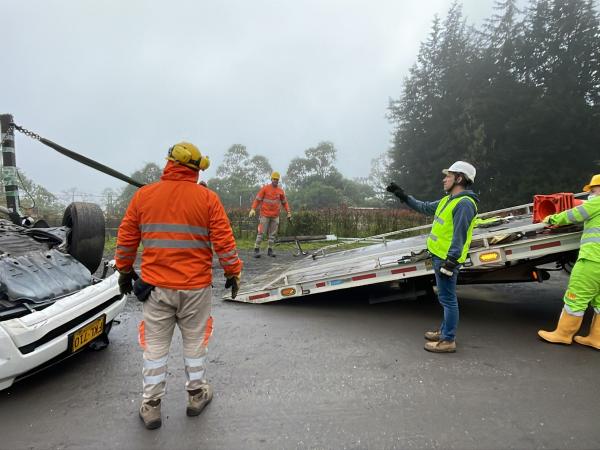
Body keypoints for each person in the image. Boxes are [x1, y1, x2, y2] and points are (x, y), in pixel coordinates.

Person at [115, 142, 243, 430]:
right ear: (197, 169)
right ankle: (196, 396)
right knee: (195, 342)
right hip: (196, 289)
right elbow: (224, 242)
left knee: (156, 346)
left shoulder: (143, 196)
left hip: (156, 289)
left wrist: (124, 271)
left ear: (169, 162)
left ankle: (151, 406)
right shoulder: (208, 199)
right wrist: (233, 272)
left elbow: (126, 240)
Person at [386, 161, 479, 353]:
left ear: (459, 178)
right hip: (439, 256)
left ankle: (448, 340)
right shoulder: (449, 200)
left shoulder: (464, 204)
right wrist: (402, 195)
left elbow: (459, 236)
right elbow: (425, 207)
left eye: (448, 176)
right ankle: (445, 331)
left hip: (446, 260)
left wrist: (451, 261)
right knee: (445, 298)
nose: (444, 179)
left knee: (448, 299)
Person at [538, 174, 600, 348]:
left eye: (594, 189)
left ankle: (563, 334)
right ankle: (596, 338)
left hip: (592, 260)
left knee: (576, 296)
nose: (592, 193)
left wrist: (552, 219)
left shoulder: (598, 202)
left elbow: (575, 214)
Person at [249, 171, 291, 258]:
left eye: (277, 179)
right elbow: (257, 199)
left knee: (272, 234)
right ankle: (256, 250)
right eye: (274, 179)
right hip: (264, 215)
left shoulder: (280, 191)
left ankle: (270, 250)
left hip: (275, 216)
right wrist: (253, 209)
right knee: (261, 232)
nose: (275, 180)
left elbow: (285, 203)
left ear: (278, 180)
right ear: (271, 179)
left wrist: (289, 212)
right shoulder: (265, 189)